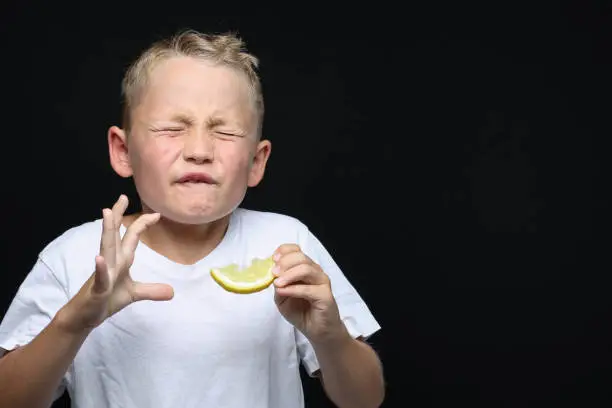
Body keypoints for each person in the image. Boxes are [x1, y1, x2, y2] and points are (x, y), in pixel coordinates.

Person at [0, 29, 384, 408]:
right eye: (171, 128)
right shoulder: (75, 256)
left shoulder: (287, 245)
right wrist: (74, 321)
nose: (199, 150)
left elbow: (365, 399)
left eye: (227, 132)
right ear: (123, 151)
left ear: (256, 161)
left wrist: (330, 336)